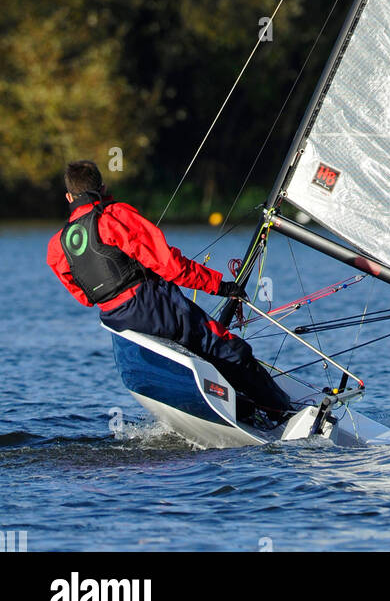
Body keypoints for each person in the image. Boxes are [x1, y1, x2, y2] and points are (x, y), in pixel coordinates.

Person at [47, 159, 292, 425]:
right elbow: (170, 266)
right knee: (228, 348)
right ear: (103, 187)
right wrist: (220, 287)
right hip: (152, 307)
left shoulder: (56, 246)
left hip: (116, 320)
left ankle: (240, 408)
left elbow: (84, 298)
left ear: (69, 197)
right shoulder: (115, 216)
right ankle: (281, 411)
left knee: (196, 353)